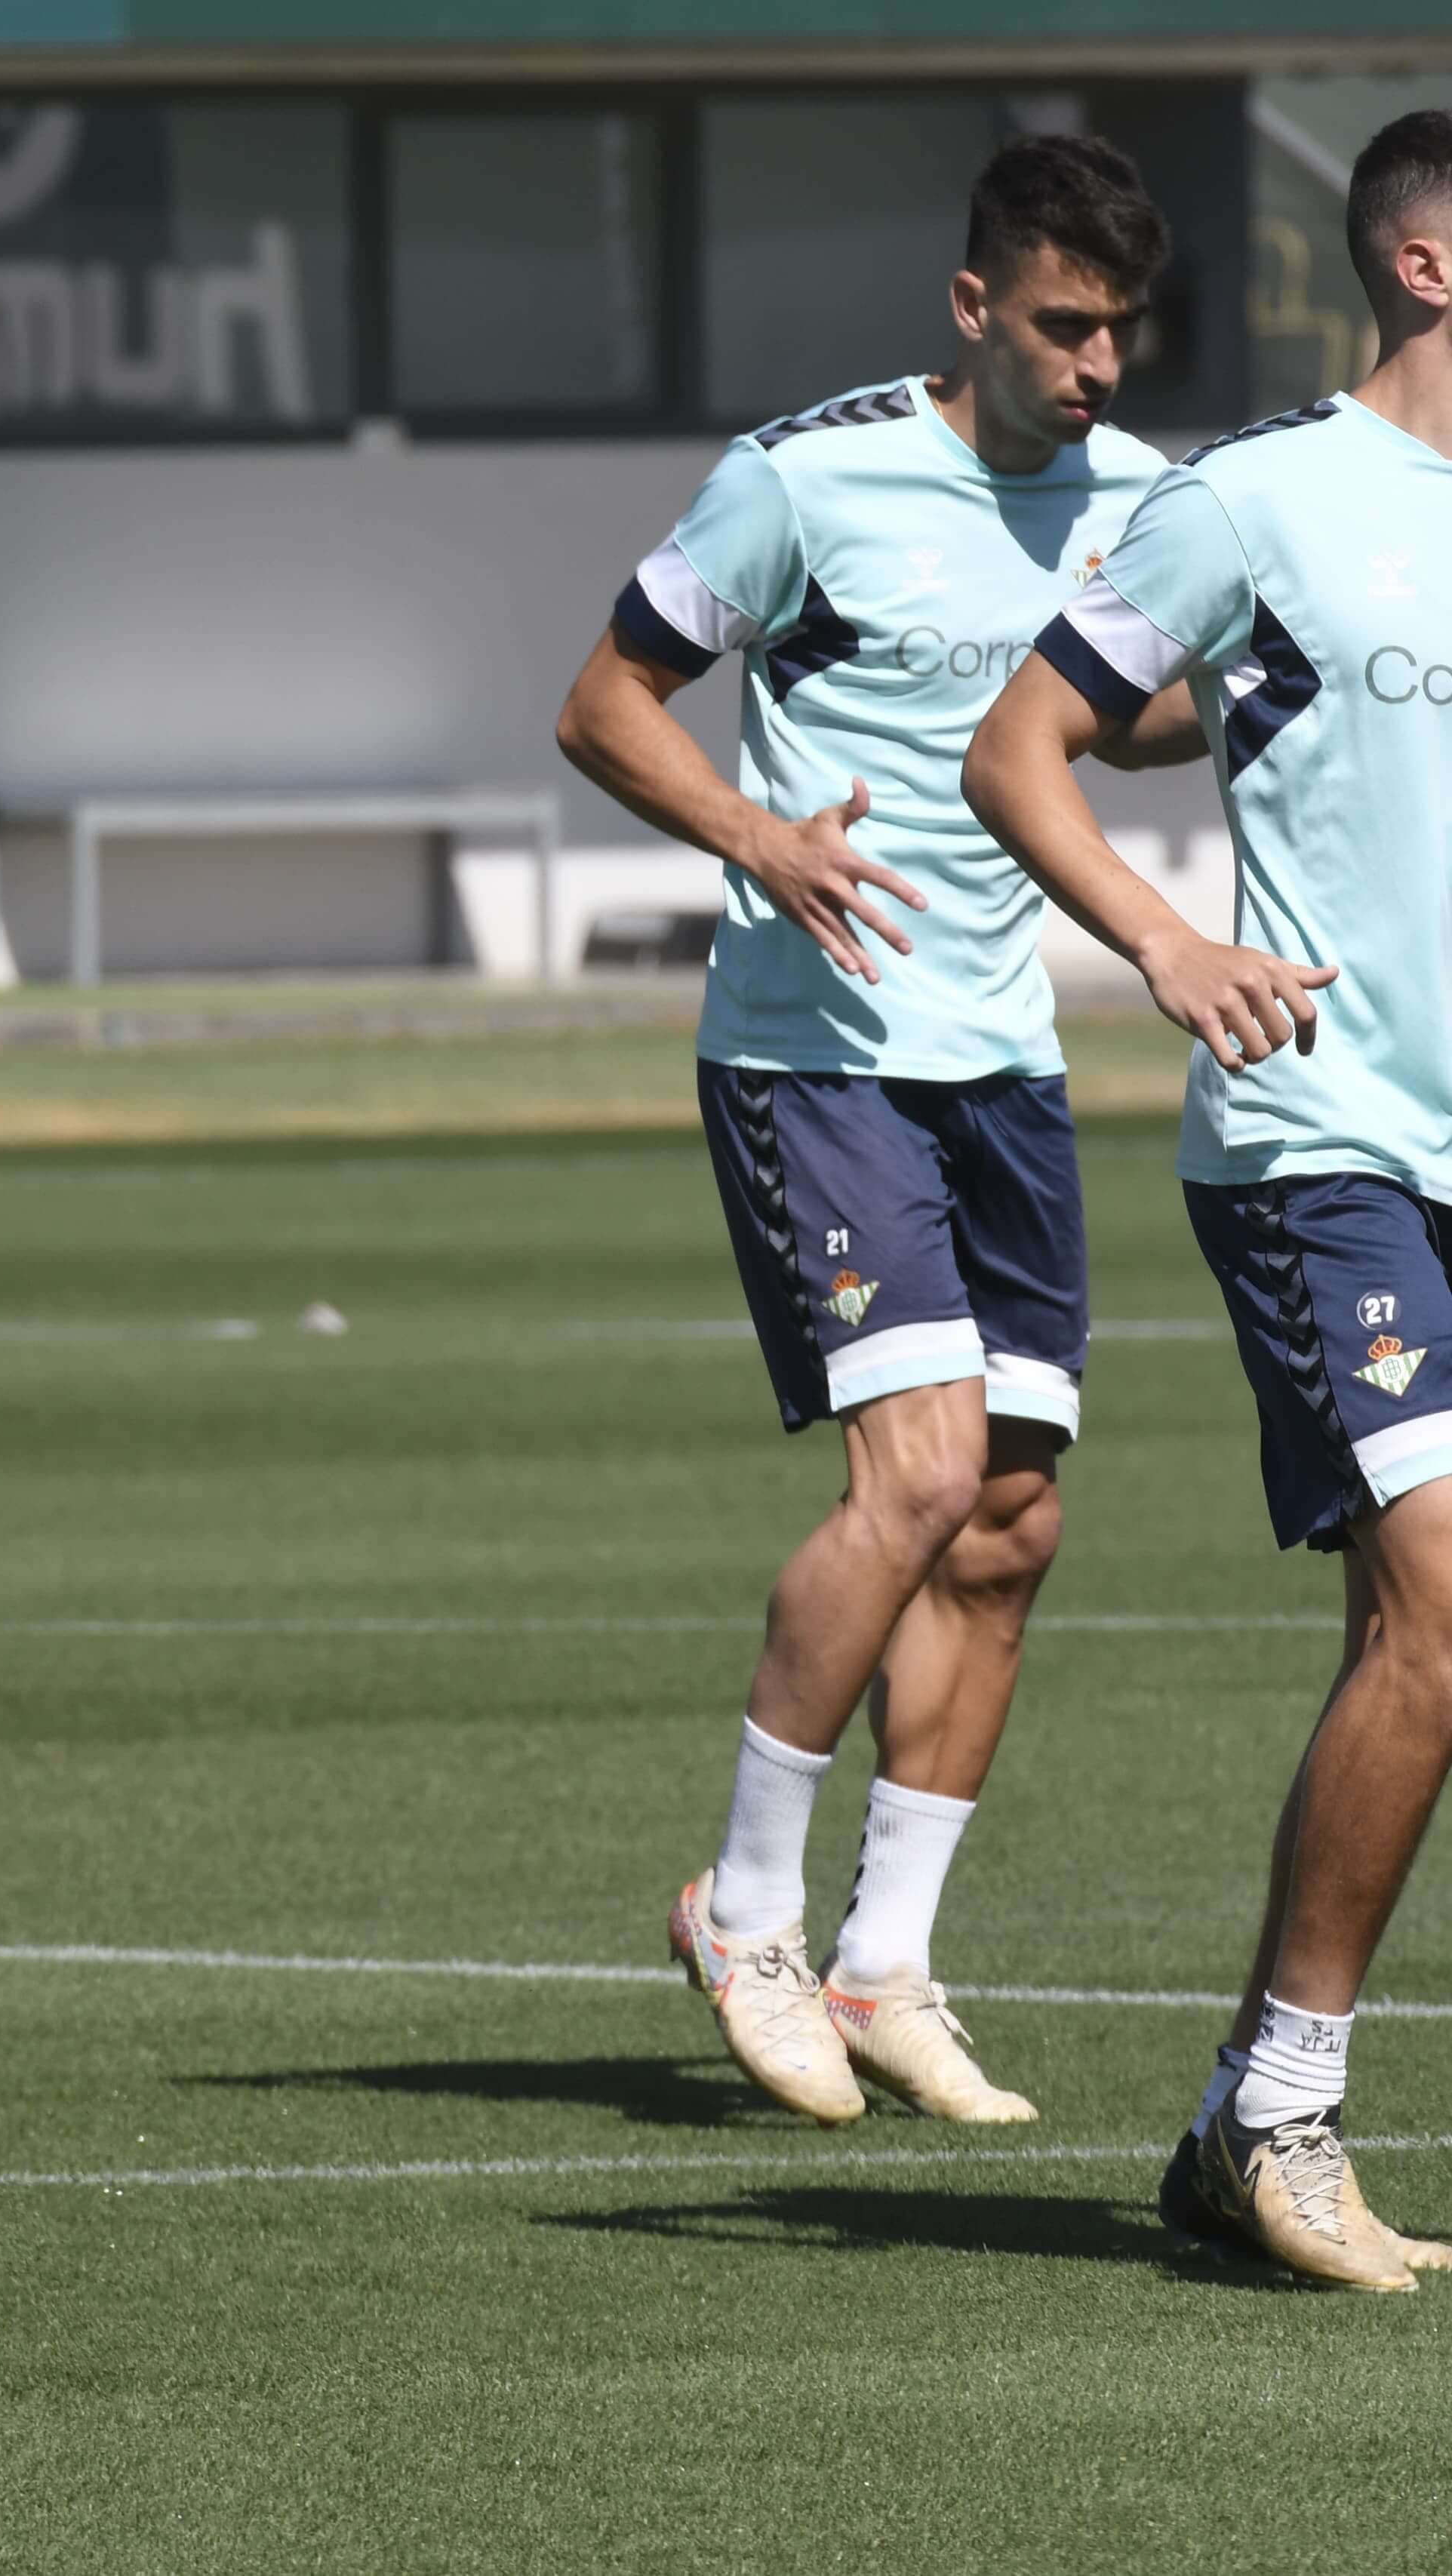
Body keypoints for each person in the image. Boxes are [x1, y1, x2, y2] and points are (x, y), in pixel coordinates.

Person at [553, 136, 1196, 2125]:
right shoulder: (805, 475)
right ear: (974, 307)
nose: (1096, 366)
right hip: (813, 1043)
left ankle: (887, 1958)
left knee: (1014, 1520)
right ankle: (743, 1905)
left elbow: (1146, 707)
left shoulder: (1150, 499)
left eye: (1121, 332)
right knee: (914, 1474)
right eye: (1065, 325)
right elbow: (603, 702)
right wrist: (757, 834)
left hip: (1001, 1052)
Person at [964, 109, 1452, 2289]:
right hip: (1323, 1143)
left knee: (1421, 1640)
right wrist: (1168, 945)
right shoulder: (1258, 494)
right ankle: (1282, 2114)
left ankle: (1229, 2125)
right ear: (1429, 264)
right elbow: (1022, 749)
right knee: (1447, 1612)